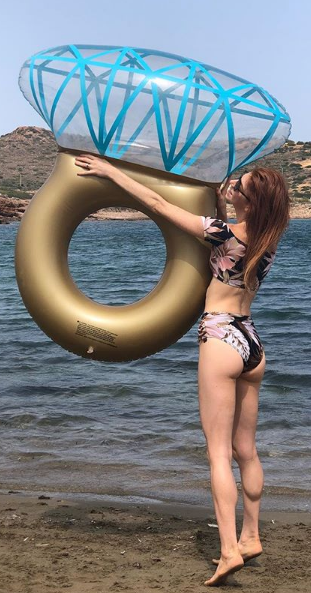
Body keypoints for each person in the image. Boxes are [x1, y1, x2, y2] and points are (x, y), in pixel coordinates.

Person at [75, 153, 290, 586]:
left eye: (239, 186)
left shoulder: (222, 233)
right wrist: (222, 198)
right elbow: (232, 237)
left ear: (249, 202)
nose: (232, 185)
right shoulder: (269, 237)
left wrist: (112, 172)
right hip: (252, 342)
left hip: (221, 337)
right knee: (246, 450)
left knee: (218, 453)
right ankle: (251, 536)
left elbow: (157, 204)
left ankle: (228, 551)